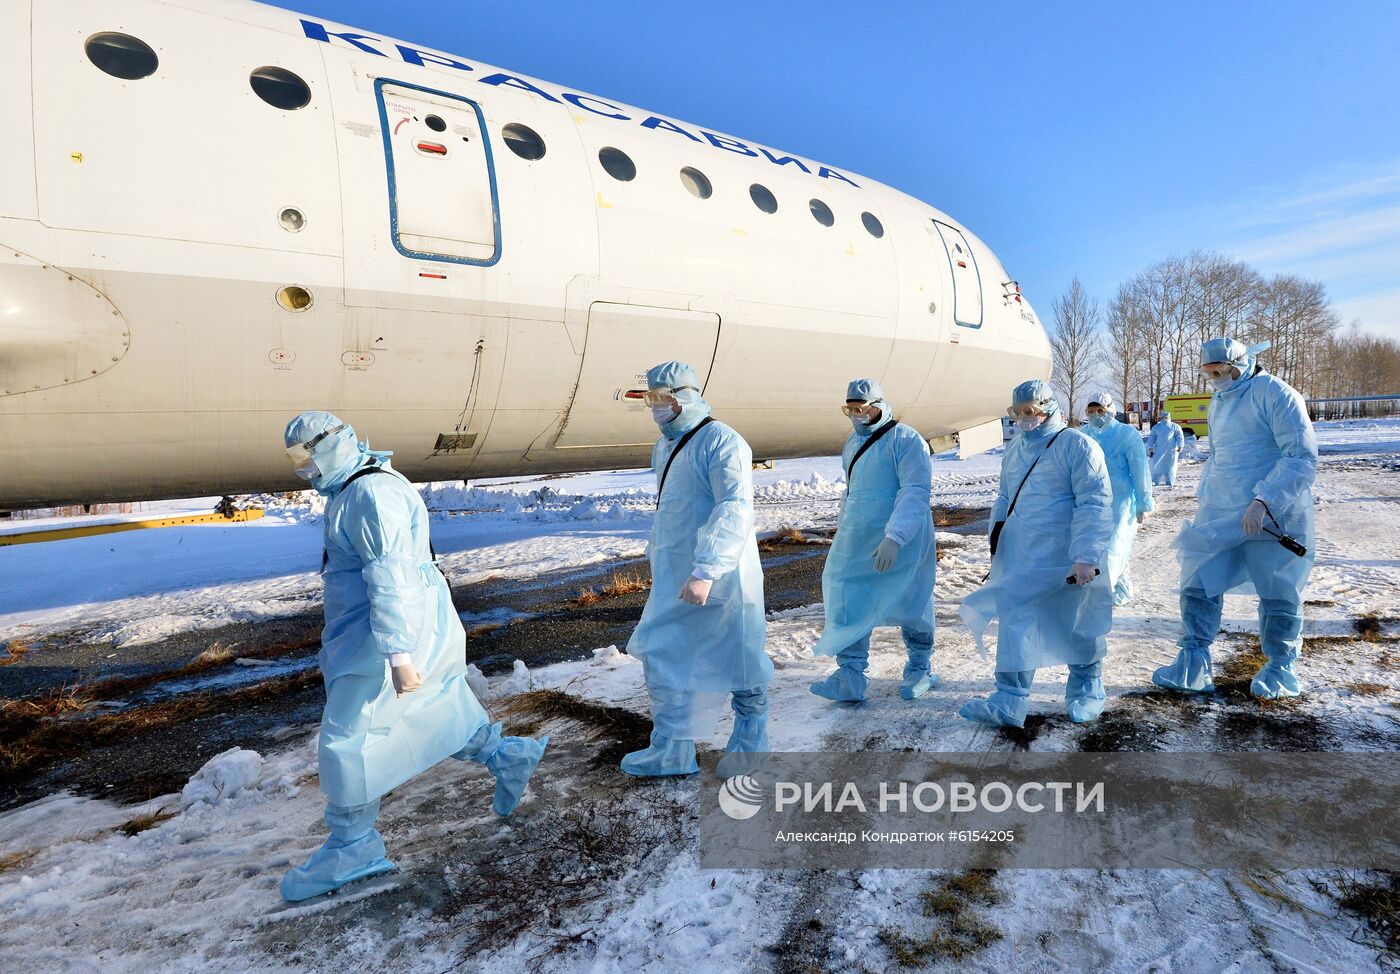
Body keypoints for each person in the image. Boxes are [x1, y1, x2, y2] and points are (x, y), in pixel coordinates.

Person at [279, 411, 548, 902]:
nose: (302, 468)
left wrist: (398, 653)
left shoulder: (369, 494)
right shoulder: (358, 484)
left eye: (305, 456)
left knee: (349, 734)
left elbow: (390, 576)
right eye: (295, 458)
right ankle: (506, 755)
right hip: (384, 624)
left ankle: (352, 846)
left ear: (327, 446)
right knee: (428, 708)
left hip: (381, 632)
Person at [623, 363, 772, 776]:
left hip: (722, 577)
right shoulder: (665, 447)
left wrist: (707, 569)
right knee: (663, 654)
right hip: (676, 575)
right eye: (649, 399)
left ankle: (751, 744)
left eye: (661, 398)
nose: (655, 408)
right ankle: (672, 747)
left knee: (739, 655)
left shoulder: (722, 441)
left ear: (684, 396)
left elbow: (734, 509)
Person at [1153, 339, 1316, 700]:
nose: (1213, 379)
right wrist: (1207, 495)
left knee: (1278, 591)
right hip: (1221, 509)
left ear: (1239, 365)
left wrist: (1264, 499)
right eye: (1207, 373)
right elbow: (1222, 457)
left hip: (1271, 513)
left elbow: (1301, 457)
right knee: (1198, 582)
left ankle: (1280, 668)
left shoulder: (1276, 393)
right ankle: (1193, 662)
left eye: (1219, 372)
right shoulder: (1220, 400)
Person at [958, 380, 1114, 727]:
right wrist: (997, 540)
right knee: (1017, 623)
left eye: (1030, 411)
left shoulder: (1077, 446)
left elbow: (1095, 502)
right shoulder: (1016, 449)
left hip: (1067, 558)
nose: (1024, 418)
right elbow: (1004, 497)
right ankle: (1009, 699)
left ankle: (1087, 689)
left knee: (1076, 622)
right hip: (1023, 557)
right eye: (1017, 412)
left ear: (1049, 407)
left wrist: (1087, 554)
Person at [810, 379, 939, 702]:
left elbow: (915, 491)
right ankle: (851, 675)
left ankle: (920, 667)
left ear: (879, 405)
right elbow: (853, 493)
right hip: (858, 536)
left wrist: (895, 536)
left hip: (903, 538)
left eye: (862, 407)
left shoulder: (906, 440)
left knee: (913, 599)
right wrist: (844, 529)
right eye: (850, 409)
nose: (857, 415)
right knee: (849, 598)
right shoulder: (853, 444)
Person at [1082, 391, 1153, 606]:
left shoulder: (1126, 435)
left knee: (1114, 547)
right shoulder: (1083, 435)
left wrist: (1143, 501)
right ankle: (1120, 590)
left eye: (1100, 410)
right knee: (1094, 547)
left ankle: (1100, 596)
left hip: (1121, 501)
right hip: (1091, 500)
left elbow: (1140, 470)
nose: (1096, 415)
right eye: (1091, 411)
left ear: (1110, 410)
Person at [1147, 414, 1185, 487]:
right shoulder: (1156, 427)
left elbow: (1180, 437)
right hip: (1159, 450)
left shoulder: (1175, 426)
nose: (1164, 419)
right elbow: (1152, 437)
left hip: (1171, 451)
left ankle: (1169, 480)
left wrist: (1180, 445)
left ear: (1169, 417)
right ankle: (1155, 480)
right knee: (1157, 465)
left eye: (1166, 418)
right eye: (1163, 418)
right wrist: (1150, 447)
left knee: (1170, 465)